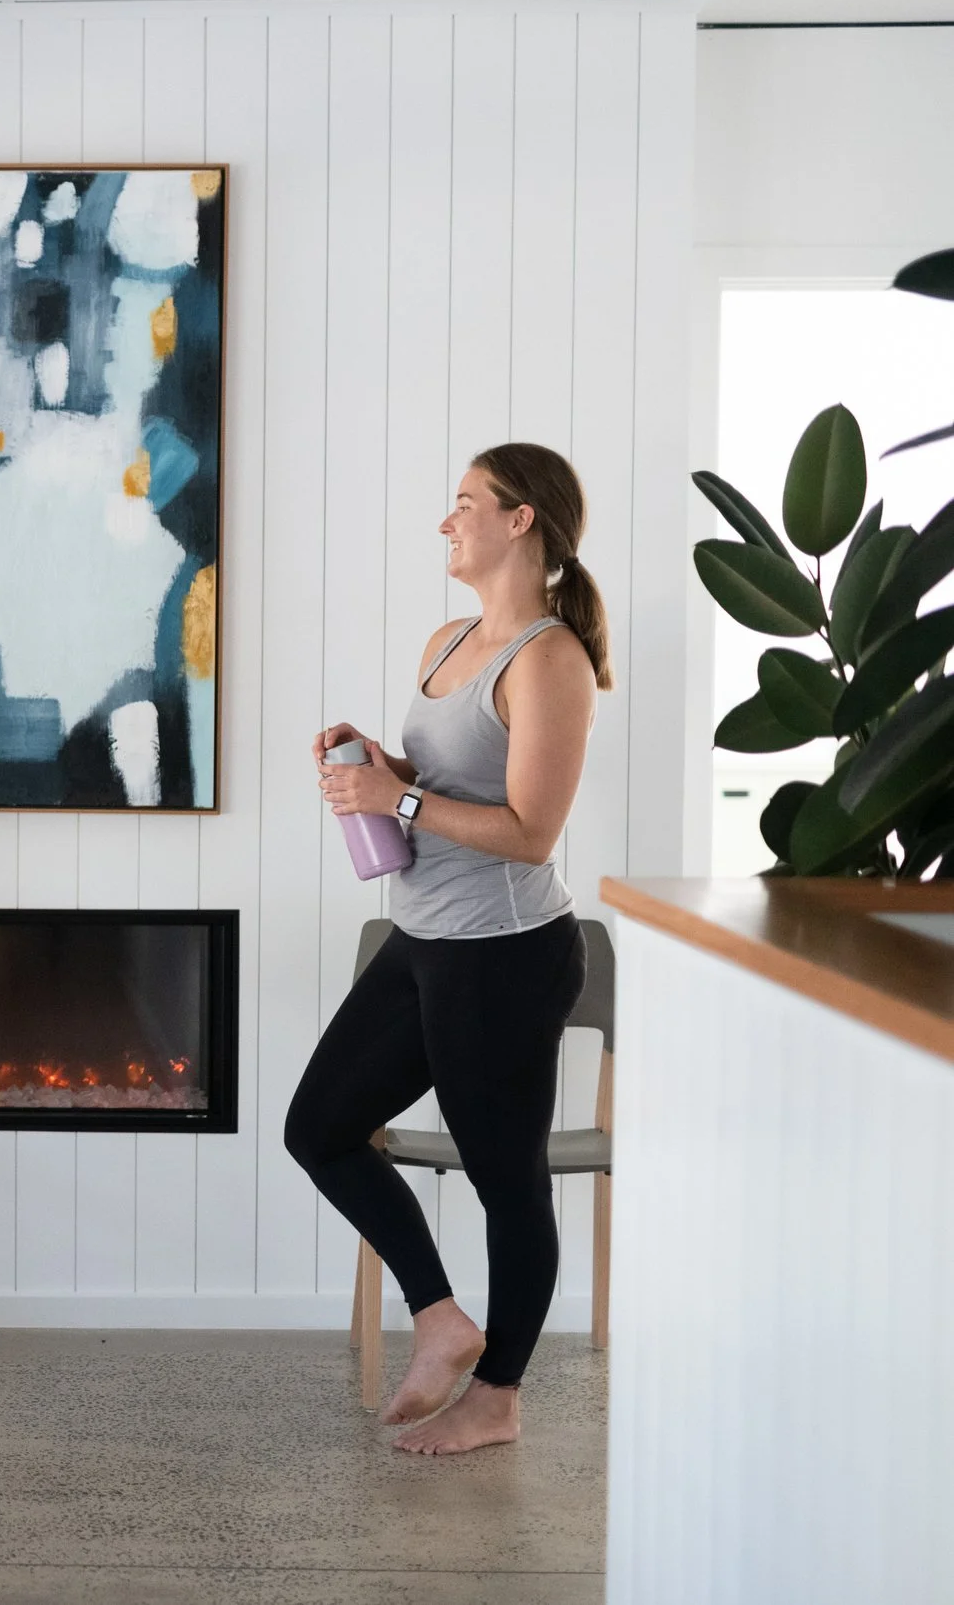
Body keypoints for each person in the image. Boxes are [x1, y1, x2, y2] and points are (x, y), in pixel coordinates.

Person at [286, 443, 609, 1457]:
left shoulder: (549, 660)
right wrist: (379, 766)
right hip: (422, 938)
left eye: (465, 503)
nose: (446, 521)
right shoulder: (449, 641)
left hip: (506, 953)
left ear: (521, 520)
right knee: (319, 1127)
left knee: (506, 1181)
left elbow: (530, 831)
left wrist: (399, 798)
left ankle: (498, 1396)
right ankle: (438, 1317)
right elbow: (444, 784)